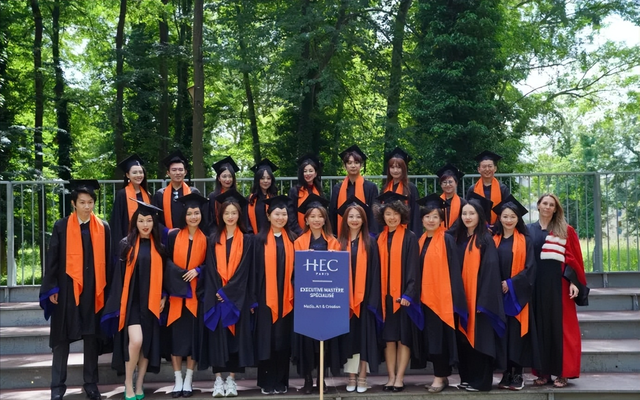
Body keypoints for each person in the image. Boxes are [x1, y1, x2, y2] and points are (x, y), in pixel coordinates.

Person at [40, 180, 111, 400]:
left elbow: (109, 261)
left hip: (93, 290)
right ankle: (57, 387)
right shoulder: (61, 226)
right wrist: (52, 287)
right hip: (66, 290)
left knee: (91, 338)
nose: (87, 206)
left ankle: (91, 384)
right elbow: (52, 259)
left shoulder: (103, 227)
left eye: (90, 202)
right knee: (61, 339)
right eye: (82, 202)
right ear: (73, 203)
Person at [102, 200, 167, 400]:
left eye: (149, 220)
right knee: (136, 341)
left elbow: (166, 276)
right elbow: (118, 276)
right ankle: (128, 382)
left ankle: (139, 384)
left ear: (154, 223)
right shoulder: (126, 245)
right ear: (135, 222)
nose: (145, 224)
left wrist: (164, 296)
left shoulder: (160, 247)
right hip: (131, 302)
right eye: (141, 220)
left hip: (151, 302)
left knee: (146, 344)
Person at [198, 190, 254, 398]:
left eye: (234, 213)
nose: (230, 216)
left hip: (236, 298)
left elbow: (245, 270)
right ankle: (218, 380)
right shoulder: (213, 239)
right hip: (217, 297)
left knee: (235, 340)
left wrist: (228, 292)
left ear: (239, 215)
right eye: (226, 213)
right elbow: (210, 269)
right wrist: (218, 292)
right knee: (217, 339)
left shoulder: (247, 240)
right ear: (221, 215)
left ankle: (231, 379)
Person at [528, 193, 587, 388]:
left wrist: (573, 282)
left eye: (551, 204)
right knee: (541, 328)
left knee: (563, 329)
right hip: (537, 286)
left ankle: (563, 373)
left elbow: (574, 258)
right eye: (544, 203)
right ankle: (543, 373)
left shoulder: (565, 230)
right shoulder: (528, 230)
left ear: (555, 209)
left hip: (560, 285)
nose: (547, 207)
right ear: (538, 205)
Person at [451, 198, 506, 392]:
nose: (467, 217)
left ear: (479, 216)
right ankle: (467, 378)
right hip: (461, 298)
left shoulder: (485, 239)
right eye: (464, 213)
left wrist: (483, 301)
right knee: (463, 340)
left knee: (480, 340)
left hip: (479, 299)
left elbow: (491, 271)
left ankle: (481, 382)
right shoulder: (458, 238)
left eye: (471, 213)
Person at [414, 194, 467, 393]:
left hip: (442, 298)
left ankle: (439, 376)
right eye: (427, 216)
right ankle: (441, 375)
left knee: (439, 339)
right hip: (424, 298)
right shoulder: (420, 240)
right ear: (422, 219)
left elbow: (454, 270)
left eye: (435, 217)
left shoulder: (446, 239)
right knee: (432, 339)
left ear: (441, 220)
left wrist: (453, 297)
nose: (431, 220)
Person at [292, 194, 341, 394]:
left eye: (320, 216)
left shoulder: (334, 243)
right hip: (306, 300)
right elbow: (293, 272)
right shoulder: (299, 242)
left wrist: (334, 258)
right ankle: (307, 379)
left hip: (326, 299)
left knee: (324, 342)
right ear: (306, 220)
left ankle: (321, 380)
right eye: (312, 216)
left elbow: (339, 273)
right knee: (306, 341)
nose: (316, 220)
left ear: (325, 219)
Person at [333, 196, 381, 394]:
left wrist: (372, 300)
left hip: (365, 299)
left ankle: (362, 376)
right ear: (345, 219)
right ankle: (351, 376)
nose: (354, 220)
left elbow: (376, 272)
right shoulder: (338, 243)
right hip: (344, 301)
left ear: (363, 220)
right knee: (349, 339)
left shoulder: (371, 243)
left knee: (364, 340)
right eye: (351, 216)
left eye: (358, 216)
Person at [251, 195, 298, 395]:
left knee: (282, 339)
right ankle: (266, 380)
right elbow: (253, 272)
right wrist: (253, 299)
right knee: (266, 340)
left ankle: (281, 380)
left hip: (287, 297)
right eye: (277, 214)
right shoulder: (258, 240)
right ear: (269, 216)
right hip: (265, 297)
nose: (280, 218)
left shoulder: (293, 240)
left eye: (284, 214)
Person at [374, 191, 420, 393]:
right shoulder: (379, 239)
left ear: (402, 215)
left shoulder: (410, 237)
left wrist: (408, 293)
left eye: (395, 213)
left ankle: (400, 377)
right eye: (388, 214)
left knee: (403, 338)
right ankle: (390, 377)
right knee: (389, 339)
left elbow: (413, 268)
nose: (391, 217)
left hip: (403, 298)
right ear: (382, 216)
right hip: (385, 297)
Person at [163, 193, 209, 398]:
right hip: (176, 296)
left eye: (196, 213)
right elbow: (165, 262)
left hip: (195, 297)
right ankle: (178, 380)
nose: (193, 217)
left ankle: (189, 379)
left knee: (192, 339)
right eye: (189, 213)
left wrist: (198, 270)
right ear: (184, 215)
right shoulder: (173, 236)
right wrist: (179, 274)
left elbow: (209, 265)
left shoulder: (206, 239)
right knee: (176, 340)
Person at [492, 195, 538, 391]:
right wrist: (495, 284)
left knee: (516, 334)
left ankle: (518, 373)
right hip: (496, 294)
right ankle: (506, 372)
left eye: (512, 216)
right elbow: (486, 266)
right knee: (502, 334)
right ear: (499, 218)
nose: (509, 220)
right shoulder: (493, 240)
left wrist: (510, 284)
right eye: (505, 216)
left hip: (517, 294)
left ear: (518, 219)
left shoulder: (525, 240)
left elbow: (530, 268)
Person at [329, 145, 379, 236]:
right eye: (349, 163)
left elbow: (374, 214)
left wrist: (371, 236)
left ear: (361, 165)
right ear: (345, 166)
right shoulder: (337, 188)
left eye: (356, 162)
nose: (353, 166)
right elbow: (332, 214)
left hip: (365, 234)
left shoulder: (370, 187)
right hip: (342, 234)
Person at [152, 150, 202, 235]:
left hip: (190, 235)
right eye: (174, 170)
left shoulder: (193, 193)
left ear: (185, 172)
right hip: (168, 237)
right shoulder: (160, 194)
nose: (178, 173)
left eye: (180, 170)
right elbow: (154, 218)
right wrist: (166, 231)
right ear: (168, 173)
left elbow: (201, 216)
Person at [110, 154, 151, 257]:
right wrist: (120, 246)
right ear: (128, 175)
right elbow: (117, 222)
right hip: (127, 240)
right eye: (134, 172)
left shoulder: (148, 195)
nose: (138, 175)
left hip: (145, 241)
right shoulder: (122, 194)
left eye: (141, 172)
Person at [380, 147, 421, 236]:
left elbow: (415, 215)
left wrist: (415, 237)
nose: (395, 170)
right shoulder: (384, 189)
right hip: (387, 234)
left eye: (399, 167)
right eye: (392, 167)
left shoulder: (411, 188)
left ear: (404, 168)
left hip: (406, 234)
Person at [465, 151, 510, 226]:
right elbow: (468, 210)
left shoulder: (502, 189)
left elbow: (508, 210)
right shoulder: (472, 189)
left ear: (495, 168)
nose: (487, 169)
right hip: (478, 227)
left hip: (499, 227)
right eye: (484, 166)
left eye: (490, 166)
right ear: (479, 169)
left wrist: (497, 226)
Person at [288, 154, 324, 235]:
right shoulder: (295, 191)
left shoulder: (319, 191)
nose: (308, 174)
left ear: (315, 173)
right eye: (305, 171)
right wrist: (300, 232)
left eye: (311, 171)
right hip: (299, 234)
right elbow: (291, 215)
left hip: (317, 233)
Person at [207, 156, 240, 231]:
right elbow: (210, 219)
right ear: (219, 178)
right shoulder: (213, 197)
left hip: (235, 232)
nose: (227, 179)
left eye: (230, 176)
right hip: (216, 232)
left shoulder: (237, 196)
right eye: (224, 176)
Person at [247, 159, 278, 234]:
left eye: (268, 178)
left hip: (272, 238)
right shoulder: (250, 200)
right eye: (262, 178)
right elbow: (246, 223)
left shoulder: (276, 199)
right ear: (257, 180)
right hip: (254, 238)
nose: (266, 181)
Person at [435, 164, 466, 230]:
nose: (447, 185)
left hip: (458, 235)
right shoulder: (436, 202)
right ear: (441, 185)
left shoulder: (463, 203)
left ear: (456, 183)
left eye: (450, 182)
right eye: (444, 182)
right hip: (439, 234)